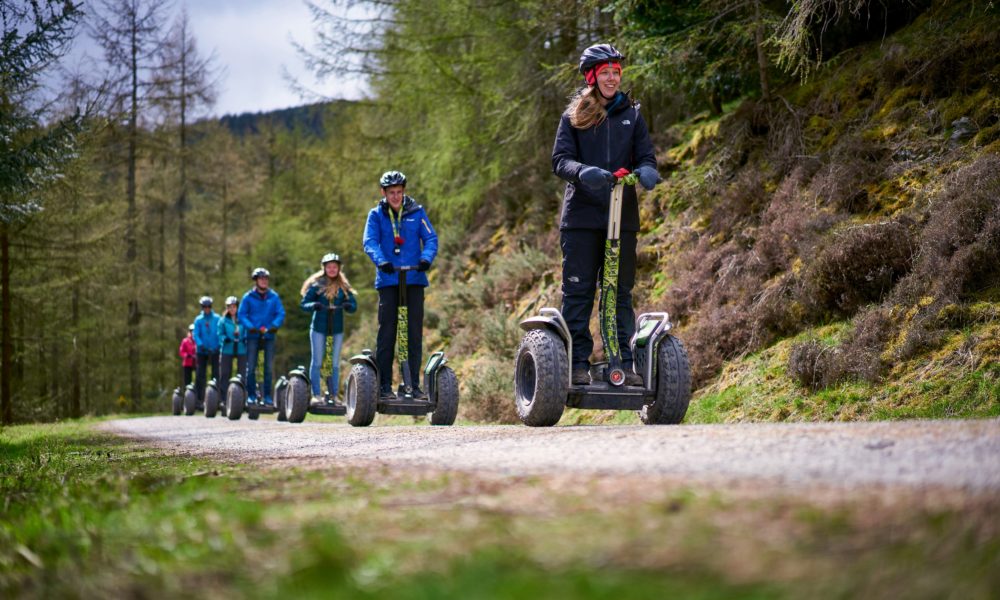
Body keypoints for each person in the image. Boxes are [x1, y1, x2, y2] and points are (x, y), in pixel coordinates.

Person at [551, 43, 660, 386]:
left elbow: (646, 157)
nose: (612, 78)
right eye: (606, 73)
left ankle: (624, 363)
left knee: (619, 291)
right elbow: (560, 161)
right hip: (582, 219)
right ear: (592, 77)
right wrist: (583, 172)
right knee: (580, 292)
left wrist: (647, 171)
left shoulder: (632, 115)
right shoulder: (574, 117)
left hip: (622, 219)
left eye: (616, 72)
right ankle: (577, 364)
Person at [363, 170, 438, 400]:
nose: (395, 197)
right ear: (383, 193)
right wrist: (381, 261)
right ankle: (384, 386)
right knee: (387, 333)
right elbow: (370, 241)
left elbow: (431, 238)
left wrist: (426, 258)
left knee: (413, 333)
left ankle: (413, 386)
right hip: (388, 280)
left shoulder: (417, 212)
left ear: (404, 191)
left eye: (399, 192)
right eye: (391, 193)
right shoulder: (376, 215)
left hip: (414, 280)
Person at [300, 253, 358, 404]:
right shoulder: (317, 285)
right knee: (318, 361)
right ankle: (316, 394)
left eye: (335, 267)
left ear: (339, 268)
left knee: (334, 363)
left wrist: (348, 306)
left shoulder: (344, 286)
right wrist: (314, 305)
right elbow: (304, 304)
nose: (332, 269)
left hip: (336, 329)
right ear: (324, 268)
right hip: (319, 328)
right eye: (329, 267)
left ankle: (332, 395)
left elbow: (353, 306)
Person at [237, 267, 285, 405]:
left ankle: (267, 397)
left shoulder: (273, 297)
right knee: (251, 367)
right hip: (253, 335)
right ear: (256, 281)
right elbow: (241, 315)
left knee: (268, 368)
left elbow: (280, 313)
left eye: (266, 279)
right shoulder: (248, 297)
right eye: (261, 279)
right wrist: (250, 327)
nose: (264, 281)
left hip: (269, 336)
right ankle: (251, 395)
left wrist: (274, 326)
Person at [192, 296, 221, 405]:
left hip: (215, 350)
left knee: (216, 374)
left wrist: (218, 345)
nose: (207, 308)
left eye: (209, 306)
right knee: (200, 375)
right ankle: (200, 399)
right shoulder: (198, 320)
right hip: (202, 351)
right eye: (205, 306)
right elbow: (196, 334)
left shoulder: (217, 318)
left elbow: (220, 332)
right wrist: (201, 345)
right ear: (202, 307)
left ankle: (217, 398)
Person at [217, 295, 247, 388]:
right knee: (225, 373)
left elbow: (247, 330)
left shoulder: (242, 319)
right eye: (229, 307)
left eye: (234, 307)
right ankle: (224, 397)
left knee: (242, 373)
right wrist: (224, 339)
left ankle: (242, 395)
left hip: (241, 348)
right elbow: (219, 333)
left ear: (237, 307)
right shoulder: (223, 320)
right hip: (227, 349)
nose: (232, 309)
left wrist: (245, 337)